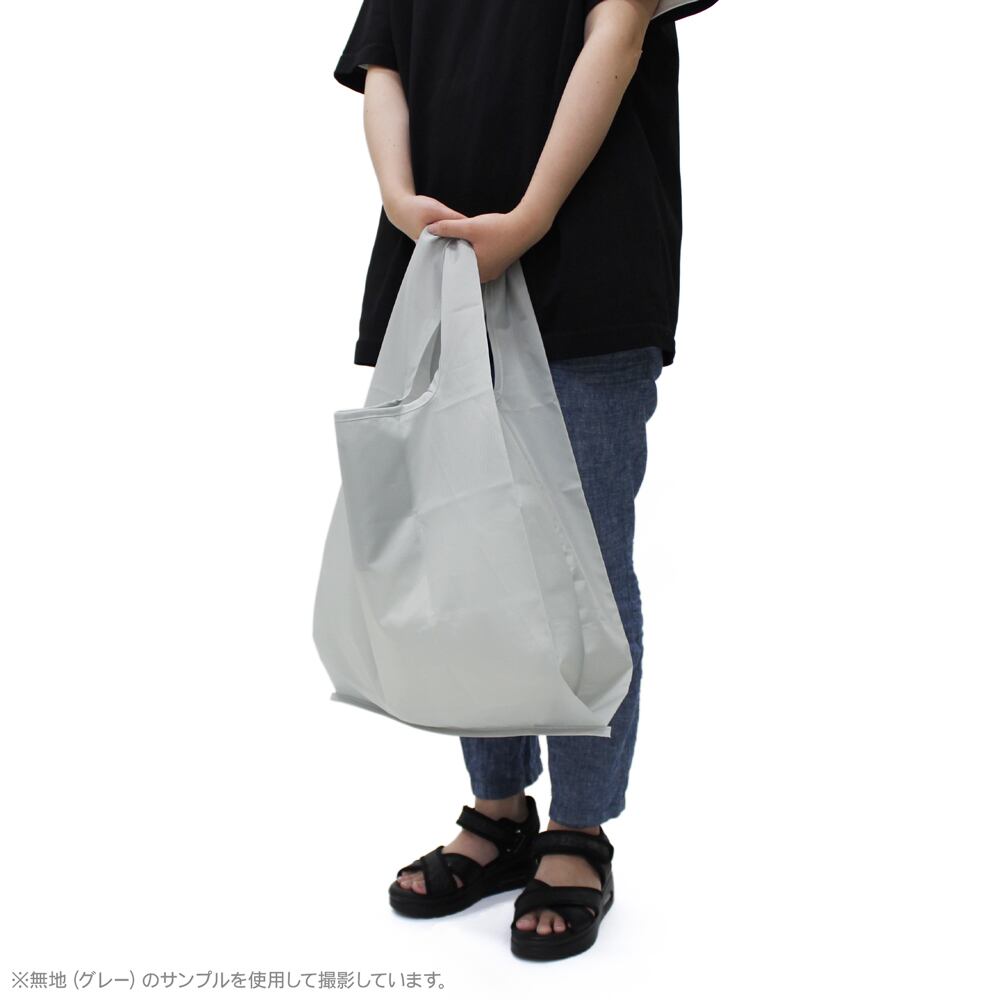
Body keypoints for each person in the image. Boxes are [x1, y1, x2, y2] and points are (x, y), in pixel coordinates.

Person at [332, 0, 720, 961]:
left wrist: (532, 215)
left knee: (582, 561)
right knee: (466, 553)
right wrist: (399, 200)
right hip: (441, 261)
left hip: (584, 257)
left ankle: (579, 829)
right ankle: (500, 812)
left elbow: (618, 31)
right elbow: (384, 62)